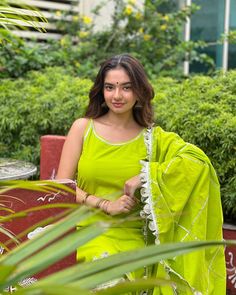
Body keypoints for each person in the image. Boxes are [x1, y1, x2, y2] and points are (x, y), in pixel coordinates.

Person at [56, 54, 226, 294]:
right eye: (110, 87)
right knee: (100, 272)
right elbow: (61, 187)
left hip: (133, 235)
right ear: (101, 91)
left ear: (139, 91)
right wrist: (104, 204)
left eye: (126, 87)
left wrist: (148, 175)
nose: (117, 96)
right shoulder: (83, 128)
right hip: (85, 230)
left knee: (118, 274)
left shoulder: (153, 139)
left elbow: (197, 162)